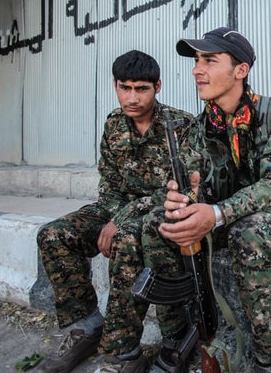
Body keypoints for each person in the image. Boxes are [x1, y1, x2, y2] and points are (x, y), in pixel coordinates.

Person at [141, 27, 271, 373]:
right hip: (224, 211)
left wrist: (217, 214)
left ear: (241, 70)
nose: (196, 70)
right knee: (158, 224)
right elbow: (194, 181)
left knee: (248, 233)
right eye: (196, 61)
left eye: (209, 60)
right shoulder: (202, 125)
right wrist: (182, 201)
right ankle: (177, 342)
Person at [36, 50, 193, 373]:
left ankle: (125, 354)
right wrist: (111, 217)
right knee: (53, 235)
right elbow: (109, 185)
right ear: (115, 85)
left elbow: (176, 192)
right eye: (125, 87)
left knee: (123, 239)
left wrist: (119, 221)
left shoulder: (180, 127)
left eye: (141, 89)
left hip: (156, 215)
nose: (131, 97)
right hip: (116, 210)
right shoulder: (113, 125)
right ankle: (88, 326)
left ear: (158, 86)